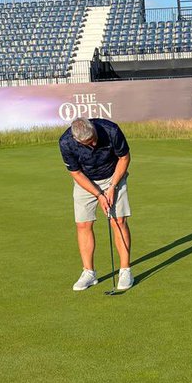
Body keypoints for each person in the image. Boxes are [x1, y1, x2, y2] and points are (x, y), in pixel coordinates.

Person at [59, 117, 133, 291]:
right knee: (83, 224)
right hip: (85, 181)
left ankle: (125, 270)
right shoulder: (66, 142)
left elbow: (124, 158)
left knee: (119, 221)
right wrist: (99, 194)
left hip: (114, 176)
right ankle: (89, 273)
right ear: (77, 140)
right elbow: (76, 173)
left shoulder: (110, 130)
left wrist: (112, 186)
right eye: (87, 143)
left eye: (93, 139)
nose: (93, 144)